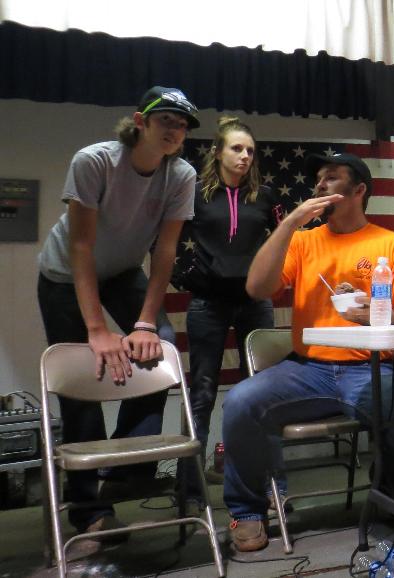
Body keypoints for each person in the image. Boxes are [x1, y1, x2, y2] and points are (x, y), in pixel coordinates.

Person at [224, 152, 394, 552]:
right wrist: (289, 224)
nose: (320, 184)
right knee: (240, 403)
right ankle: (248, 510)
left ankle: (387, 490)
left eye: (332, 177)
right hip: (307, 369)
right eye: (318, 178)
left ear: (359, 190)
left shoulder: (391, 244)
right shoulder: (303, 240)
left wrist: (376, 315)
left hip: (368, 369)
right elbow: (256, 288)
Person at [36, 86, 200, 540]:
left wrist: (145, 323)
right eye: (166, 120)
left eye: (182, 125)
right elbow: (81, 246)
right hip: (65, 275)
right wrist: (97, 330)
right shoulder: (95, 161)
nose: (175, 130)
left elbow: (164, 251)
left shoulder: (180, 174)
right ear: (140, 121)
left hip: (123, 272)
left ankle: (122, 466)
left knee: (160, 348)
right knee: (84, 378)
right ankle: (89, 511)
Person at [172, 117, 280, 500]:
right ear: (217, 152)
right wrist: (184, 277)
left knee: (264, 391)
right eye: (236, 148)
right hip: (208, 303)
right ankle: (189, 491)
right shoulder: (195, 194)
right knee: (202, 392)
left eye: (250, 150)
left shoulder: (265, 197)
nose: (244, 156)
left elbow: (288, 241)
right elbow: (166, 238)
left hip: (254, 302)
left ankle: (268, 487)